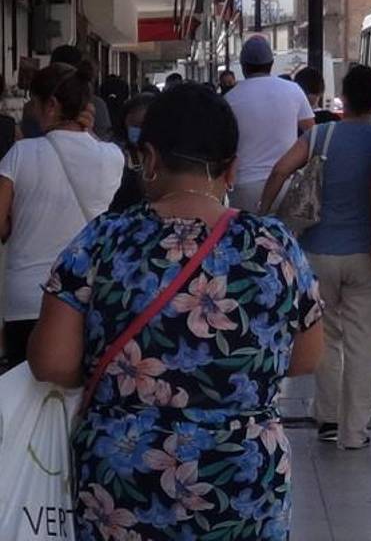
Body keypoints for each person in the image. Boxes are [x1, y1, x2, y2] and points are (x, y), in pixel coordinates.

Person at [27, 83, 324, 541]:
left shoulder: (101, 241)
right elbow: (305, 357)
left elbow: (52, 362)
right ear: (231, 170)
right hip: (243, 479)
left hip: (124, 479)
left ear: (148, 158)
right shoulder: (273, 245)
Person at [259, 65, 371, 450]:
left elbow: (281, 169)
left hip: (318, 253)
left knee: (327, 337)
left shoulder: (321, 135)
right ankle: (354, 431)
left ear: (342, 99)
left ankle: (328, 418)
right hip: (368, 255)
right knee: (363, 343)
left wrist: (265, 213)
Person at [0, 63, 124, 363]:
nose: (30, 110)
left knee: (26, 401)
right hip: (87, 295)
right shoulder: (113, 157)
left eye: (35, 102)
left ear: (51, 105)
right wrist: (89, 134)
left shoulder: (20, 154)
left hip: (27, 298)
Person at [225, 35, 315, 211]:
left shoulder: (229, 99)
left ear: (243, 66)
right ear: (271, 63)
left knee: (249, 237)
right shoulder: (293, 90)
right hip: (286, 183)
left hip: (245, 185)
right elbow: (312, 132)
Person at [108, 92, 157, 212]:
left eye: (142, 125)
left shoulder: (166, 157)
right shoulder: (115, 151)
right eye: (133, 125)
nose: (136, 130)